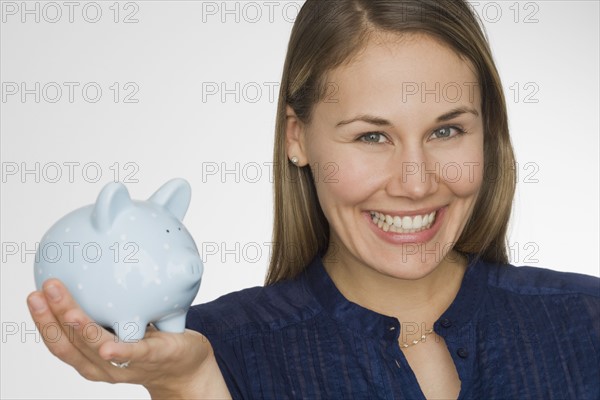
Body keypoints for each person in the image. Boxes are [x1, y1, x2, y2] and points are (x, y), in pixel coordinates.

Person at [27, 0, 599, 399]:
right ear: (296, 137)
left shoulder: (588, 320)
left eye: (447, 131)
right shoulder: (215, 349)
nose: (417, 182)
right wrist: (189, 388)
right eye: (371, 136)